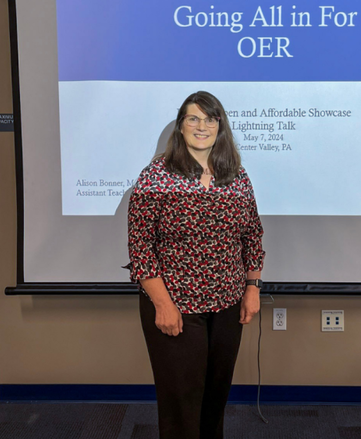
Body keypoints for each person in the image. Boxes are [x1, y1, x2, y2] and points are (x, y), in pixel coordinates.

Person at [127, 91, 265, 439]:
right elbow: (140, 248)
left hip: (227, 305)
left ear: (221, 126)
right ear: (181, 126)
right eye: (193, 118)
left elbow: (252, 234)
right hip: (176, 305)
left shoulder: (235, 175)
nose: (202, 126)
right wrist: (162, 305)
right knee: (181, 404)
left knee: (215, 399)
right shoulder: (156, 176)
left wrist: (252, 287)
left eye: (210, 119)